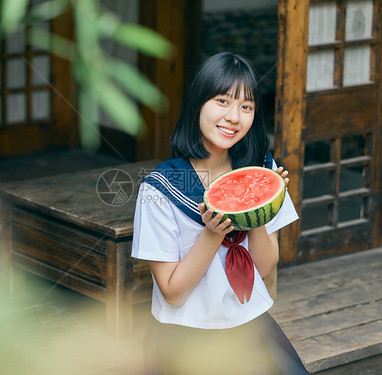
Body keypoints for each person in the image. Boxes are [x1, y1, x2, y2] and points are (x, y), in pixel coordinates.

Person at [131, 52, 309, 374]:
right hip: (184, 339)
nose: (234, 117)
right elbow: (172, 292)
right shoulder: (158, 189)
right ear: (199, 103)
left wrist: (255, 205)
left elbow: (266, 265)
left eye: (246, 107)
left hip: (251, 330)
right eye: (222, 101)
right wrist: (213, 232)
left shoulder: (261, 168)